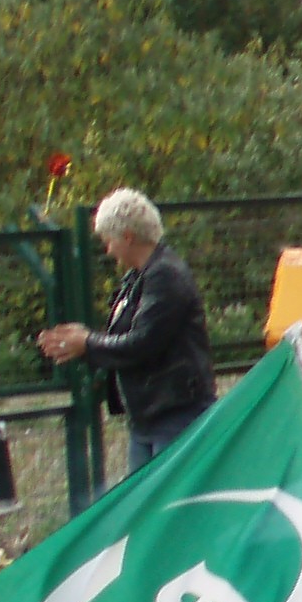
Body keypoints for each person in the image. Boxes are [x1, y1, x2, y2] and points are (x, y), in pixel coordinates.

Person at [37, 189, 215, 471]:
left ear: (128, 236)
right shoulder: (137, 278)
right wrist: (82, 341)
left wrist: (88, 343)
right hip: (147, 418)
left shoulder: (165, 275)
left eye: (109, 240)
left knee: (168, 506)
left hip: (176, 415)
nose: (108, 250)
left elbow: (142, 342)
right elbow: (126, 337)